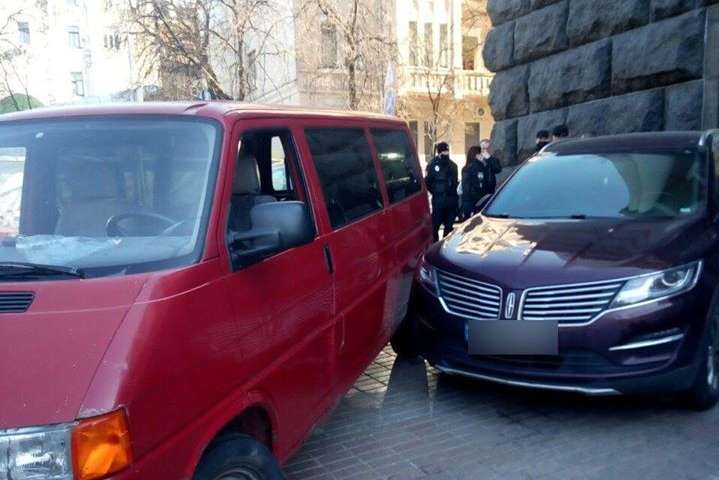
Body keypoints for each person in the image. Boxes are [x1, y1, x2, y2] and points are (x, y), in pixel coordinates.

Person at [425, 142, 459, 241]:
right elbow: (428, 182)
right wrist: (436, 192)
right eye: (444, 151)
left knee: (448, 228)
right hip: (438, 201)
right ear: (439, 152)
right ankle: (435, 245)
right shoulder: (432, 165)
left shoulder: (453, 165)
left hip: (451, 201)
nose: (446, 153)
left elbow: (455, 183)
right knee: (435, 226)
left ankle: (445, 246)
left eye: (447, 151)